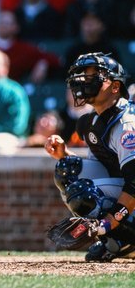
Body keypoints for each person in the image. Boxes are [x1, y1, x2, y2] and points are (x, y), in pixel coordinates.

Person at [44, 52, 135, 262]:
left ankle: (125, 242)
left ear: (115, 87)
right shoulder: (90, 122)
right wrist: (63, 154)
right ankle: (116, 242)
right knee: (68, 168)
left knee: (82, 192)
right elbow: (100, 167)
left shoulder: (126, 124)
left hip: (131, 192)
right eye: (84, 74)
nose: (84, 80)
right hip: (125, 190)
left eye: (95, 76)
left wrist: (108, 223)